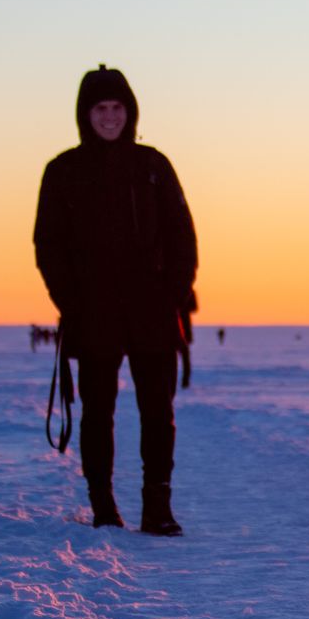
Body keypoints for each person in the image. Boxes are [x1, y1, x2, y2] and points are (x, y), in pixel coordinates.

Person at [33, 65, 198, 535]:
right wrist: (71, 301)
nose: (109, 117)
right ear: (86, 114)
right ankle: (103, 506)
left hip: (152, 311)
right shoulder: (63, 171)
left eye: (117, 108)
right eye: (100, 108)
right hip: (94, 313)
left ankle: (157, 508)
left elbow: (183, 236)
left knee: (157, 414)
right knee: (97, 413)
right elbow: (48, 245)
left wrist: (173, 294)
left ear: (130, 111)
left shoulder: (153, 167)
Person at [177, 290, 197, 390]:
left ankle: (185, 380)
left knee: (185, 356)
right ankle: (184, 380)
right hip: (173, 329)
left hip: (183, 330)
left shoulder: (188, 291)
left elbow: (194, 307)